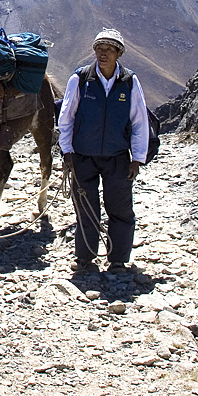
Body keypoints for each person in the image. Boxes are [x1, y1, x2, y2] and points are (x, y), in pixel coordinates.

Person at [56, 28, 149, 275]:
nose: (102, 53)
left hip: (117, 157)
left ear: (119, 53)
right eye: (99, 48)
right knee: (86, 208)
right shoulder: (81, 79)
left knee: (119, 208)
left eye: (108, 49)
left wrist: (137, 159)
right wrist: (67, 152)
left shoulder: (129, 82)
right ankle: (84, 258)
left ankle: (118, 259)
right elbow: (66, 118)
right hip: (82, 157)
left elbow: (140, 122)